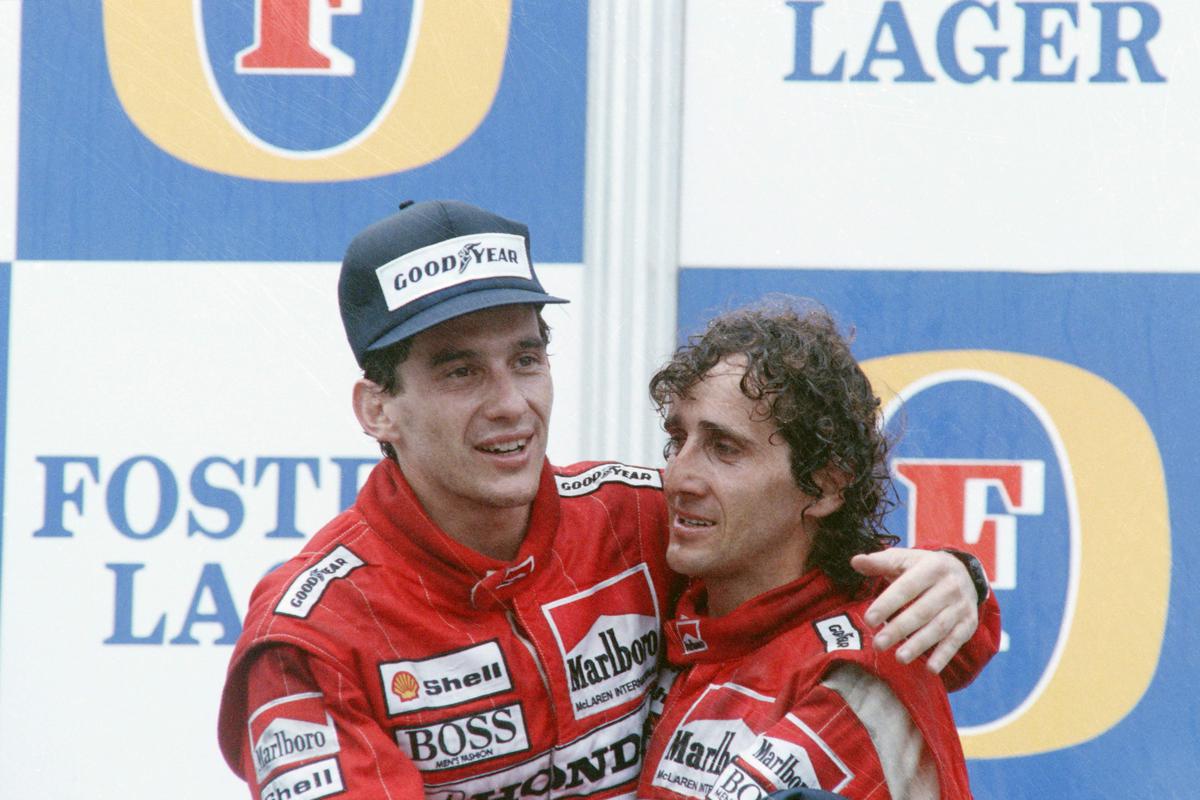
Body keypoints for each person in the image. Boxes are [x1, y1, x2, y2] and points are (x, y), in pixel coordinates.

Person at [217, 202, 996, 800]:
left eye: (527, 358)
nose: (511, 405)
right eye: (460, 372)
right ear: (376, 408)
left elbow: (812, 593)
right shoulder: (310, 638)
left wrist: (960, 580)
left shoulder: (633, 519)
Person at [638, 300, 999, 800]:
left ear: (826, 487)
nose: (678, 476)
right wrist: (964, 574)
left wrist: (966, 578)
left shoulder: (858, 675)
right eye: (678, 438)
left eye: (725, 448)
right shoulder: (670, 602)